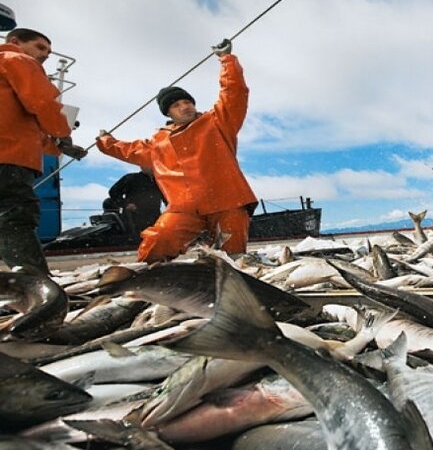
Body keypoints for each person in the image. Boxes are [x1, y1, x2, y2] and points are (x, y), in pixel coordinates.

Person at [96, 39, 257, 263]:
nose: (185, 106)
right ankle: (145, 281)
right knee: (158, 241)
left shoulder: (218, 121)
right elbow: (129, 150)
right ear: (168, 113)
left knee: (232, 259)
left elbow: (234, 93)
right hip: (184, 209)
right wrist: (106, 141)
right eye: (176, 105)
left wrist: (226, 60)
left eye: (187, 101)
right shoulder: (157, 142)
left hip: (228, 203)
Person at [0, 28, 88, 273]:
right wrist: (63, 134)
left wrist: (58, 147)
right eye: (40, 47)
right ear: (15, 42)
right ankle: (37, 288)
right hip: (9, 161)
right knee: (15, 218)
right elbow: (42, 103)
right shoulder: (16, 59)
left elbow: (18, 124)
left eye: (48, 51)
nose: (46, 55)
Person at [103, 167, 165, 236]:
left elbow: (168, 199)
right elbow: (113, 192)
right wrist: (125, 204)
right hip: (134, 220)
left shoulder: (160, 182)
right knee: (138, 241)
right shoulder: (131, 178)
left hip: (155, 220)